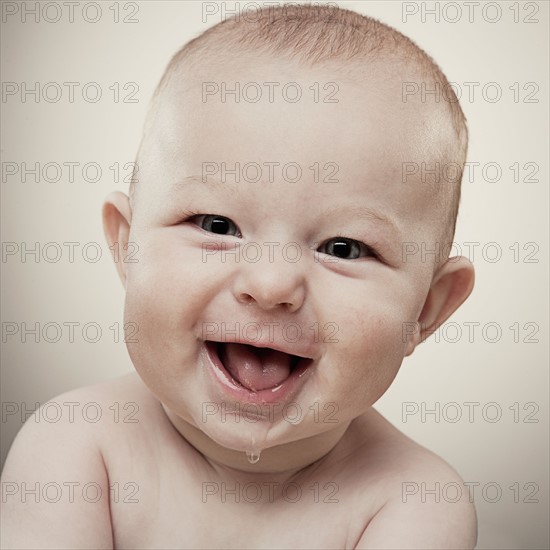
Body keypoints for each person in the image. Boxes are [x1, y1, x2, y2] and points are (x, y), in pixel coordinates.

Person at [1, 4, 477, 548]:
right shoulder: (76, 447)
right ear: (128, 247)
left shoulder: (414, 503)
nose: (271, 284)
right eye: (217, 225)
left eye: (343, 248)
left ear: (426, 310)